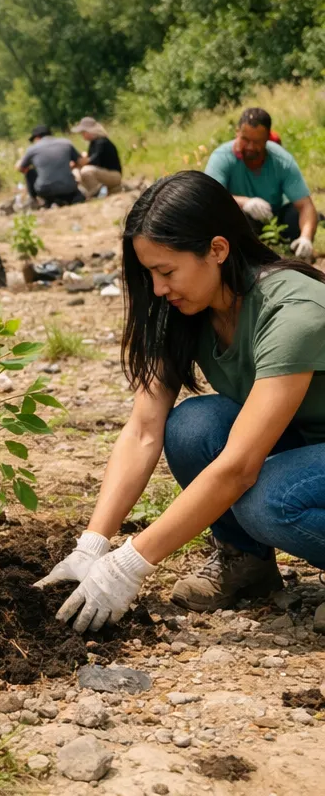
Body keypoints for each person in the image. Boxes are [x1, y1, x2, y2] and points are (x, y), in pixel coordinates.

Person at [36, 170, 325, 632]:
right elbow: (144, 429)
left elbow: (239, 467)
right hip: (308, 445)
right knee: (192, 425)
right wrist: (92, 545)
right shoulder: (186, 310)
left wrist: (130, 563)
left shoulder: (293, 312)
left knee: (268, 498)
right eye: (149, 273)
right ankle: (246, 564)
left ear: (217, 249)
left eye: (166, 271)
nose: (157, 288)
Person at [203, 107, 317, 262]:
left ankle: (295, 255)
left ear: (267, 139)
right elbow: (209, 198)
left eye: (256, 142)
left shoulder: (281, 160)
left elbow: (305, 205)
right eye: (245, 139)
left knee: (295, 215)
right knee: (232, 216)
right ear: (238, 133)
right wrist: (245, 203)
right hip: (240, 222)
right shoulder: (221, 157)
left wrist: (306, 238)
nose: (250, 147)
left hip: (274, 219)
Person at [16, 125, 84, 207]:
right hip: (68, 188)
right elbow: (81, 162)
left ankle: (35, 201)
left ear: (37, 137)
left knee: (30, 172)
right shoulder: (66, 143)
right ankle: (66, 200)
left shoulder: (32, 149)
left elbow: (21, 168)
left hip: (45, 190)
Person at [70, 116, 122, 199]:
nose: (82, 135)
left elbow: (94, 161)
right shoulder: (93, 143)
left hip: (114, 174)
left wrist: (78, 162)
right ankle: (93, 192)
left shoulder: (102, 142)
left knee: (86, 171)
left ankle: (99, 193)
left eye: (83, 132)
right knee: (77, 172)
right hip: (103, 173)